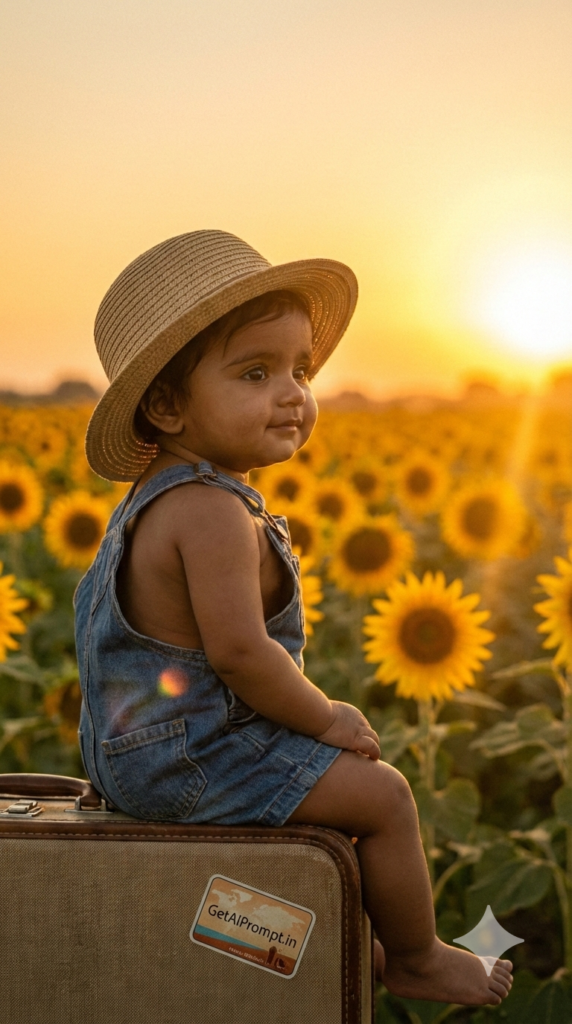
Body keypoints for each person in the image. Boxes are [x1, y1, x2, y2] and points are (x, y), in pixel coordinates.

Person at [75, 230, 513, 1006]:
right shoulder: (209, 509)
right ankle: (416, 957)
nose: (293, 393)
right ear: (168, 406)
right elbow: (242, 654)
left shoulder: (153, 503)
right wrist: (328, 716)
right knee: (383, 799)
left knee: (280, 850)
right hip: (189, 757)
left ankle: (335, 944)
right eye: (255, 372)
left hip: (137, 759)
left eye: (300, 369)